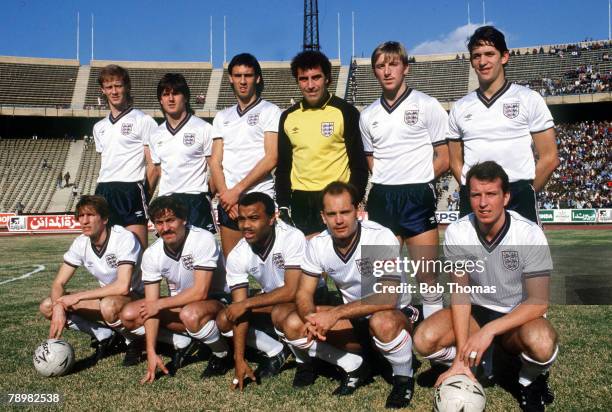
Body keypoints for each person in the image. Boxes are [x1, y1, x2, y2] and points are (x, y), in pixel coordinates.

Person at [413, 161, 558, 412]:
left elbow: (539, 301)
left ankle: (528, 381)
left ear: (506, 197)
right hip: (477, 312)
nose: (483, 203)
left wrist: (489, 331)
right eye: (476, 195)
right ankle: (471, 363)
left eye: (491, 194)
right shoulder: (458, 232)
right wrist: (460, 357)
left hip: (517, 315)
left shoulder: (528, 234)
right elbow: (460, 293)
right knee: (424, 340)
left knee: (543, 342)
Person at [279, 182, 418, 408]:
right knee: (293, 322)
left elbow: (387, 298)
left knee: (382, 321)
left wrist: (335, 314)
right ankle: (355, 365)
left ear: (357, 211)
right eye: (332, 214)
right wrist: (309, 318)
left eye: (345, 212)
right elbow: (304, 292)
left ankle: (403, 378)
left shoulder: (378, 236)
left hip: (394, 313)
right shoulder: (318, 245)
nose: (339, 220)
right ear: (323, 217)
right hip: (355, 317)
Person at [359, 41, 449, 319]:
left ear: (405, 68)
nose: (387, 71)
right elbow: (371, 160)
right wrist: (391, 177)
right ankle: (402, 322)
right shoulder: (368, 115)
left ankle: (434, 338)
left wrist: (416, 178)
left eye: (393, 64)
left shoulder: (427, 105)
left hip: (417, 196)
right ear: (374, 71)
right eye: (380, 66)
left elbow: (444, 157)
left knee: (427, 275)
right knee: (383, 276)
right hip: (382, 197)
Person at [447, 26, 559, 224]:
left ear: (504, 57)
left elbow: (550, 157)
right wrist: (471, 189)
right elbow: (455, 160)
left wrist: (526, 191)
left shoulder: (529, 99)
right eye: (477, 56)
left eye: (489, 54)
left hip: (517, 195)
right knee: (472, 255)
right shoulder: (460, 107)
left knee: (524, 255)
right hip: (475, 197)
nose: (483, 62)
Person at [216, 192, 327, 389]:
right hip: (274, 302)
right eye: (242, 219)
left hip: (310, 297)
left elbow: (293, 291)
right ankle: (276, 351)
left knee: (280, 312)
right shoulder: (238, 254)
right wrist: (239, 359)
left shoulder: (291, 237)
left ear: (272, 218)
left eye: (254, 218)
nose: (246, 225)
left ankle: (307, 363)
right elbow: (238, 307)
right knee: (226, 317)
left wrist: (247, 303)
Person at [119, 195, 230, 383]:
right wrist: (152, 352)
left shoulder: (202, 238)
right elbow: (151, 306)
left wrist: (160, 304)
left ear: (183, 219)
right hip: (181, 305)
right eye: (159, 222)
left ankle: (223, 354)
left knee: (191, 314)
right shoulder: (152, 254)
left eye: (170, 220)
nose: (165, 228)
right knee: (130, 314)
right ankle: (185, 341)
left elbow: (200, 292)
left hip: (217, 301)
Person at [38, 195, 144, 366]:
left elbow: (123, 286)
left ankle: (134, 341)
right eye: (81, 216)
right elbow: (59, 283)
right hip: (108, 299)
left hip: (136, 298)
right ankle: (105, 335)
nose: (84, 221)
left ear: (105, 219)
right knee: (48, 306)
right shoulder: (81, 243)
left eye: (90, 215)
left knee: (108, 305)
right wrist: (59, 306)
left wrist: (79, 296)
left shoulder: (123, 238)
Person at [275, 51, 368, 237]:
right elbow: (283, 167)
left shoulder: (346, 112)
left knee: (339, 261)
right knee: (306, 263)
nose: (310, 85)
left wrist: (352, 199)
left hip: (336, 199)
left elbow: (359, 165)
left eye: (316, 77)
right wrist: (284, 204)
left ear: (327, 79)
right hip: (300, 201)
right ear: (297, 81)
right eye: (304, 79)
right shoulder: (288, 117)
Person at [210, 53, 280, 257]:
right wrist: (227, 198)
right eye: (237, 75)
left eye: (248, 75)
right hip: (229, 202)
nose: (242, 81)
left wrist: (237, 192)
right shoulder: (222, 116)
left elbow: (271, 157)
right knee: (233, 266)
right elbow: (215, 162)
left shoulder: (270, 111)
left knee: (272, 266)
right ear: (230, 78)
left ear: (257, 78)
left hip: (259, 196)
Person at [92, 64, 158, 249]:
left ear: (127, 87)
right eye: (109, 87)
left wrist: (144, 194)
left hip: (131, 189)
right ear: (102, 90)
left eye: (118, 86)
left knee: (137, 251)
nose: (114, 91)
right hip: (104, 189)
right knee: (107, 252)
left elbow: (153, 165)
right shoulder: (99, 127)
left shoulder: (143, 120)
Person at [147, 73, 216, 233]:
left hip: (195, 199)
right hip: (167, 201)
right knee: (171, 256)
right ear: (160, 100)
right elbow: (157, 171)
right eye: (166, 94)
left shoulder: (204, 128)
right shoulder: (156, 134)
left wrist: (206, 195)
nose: (171, 99)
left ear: (185, 97)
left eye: (175, 93)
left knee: (201, 253)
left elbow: (216, 167)